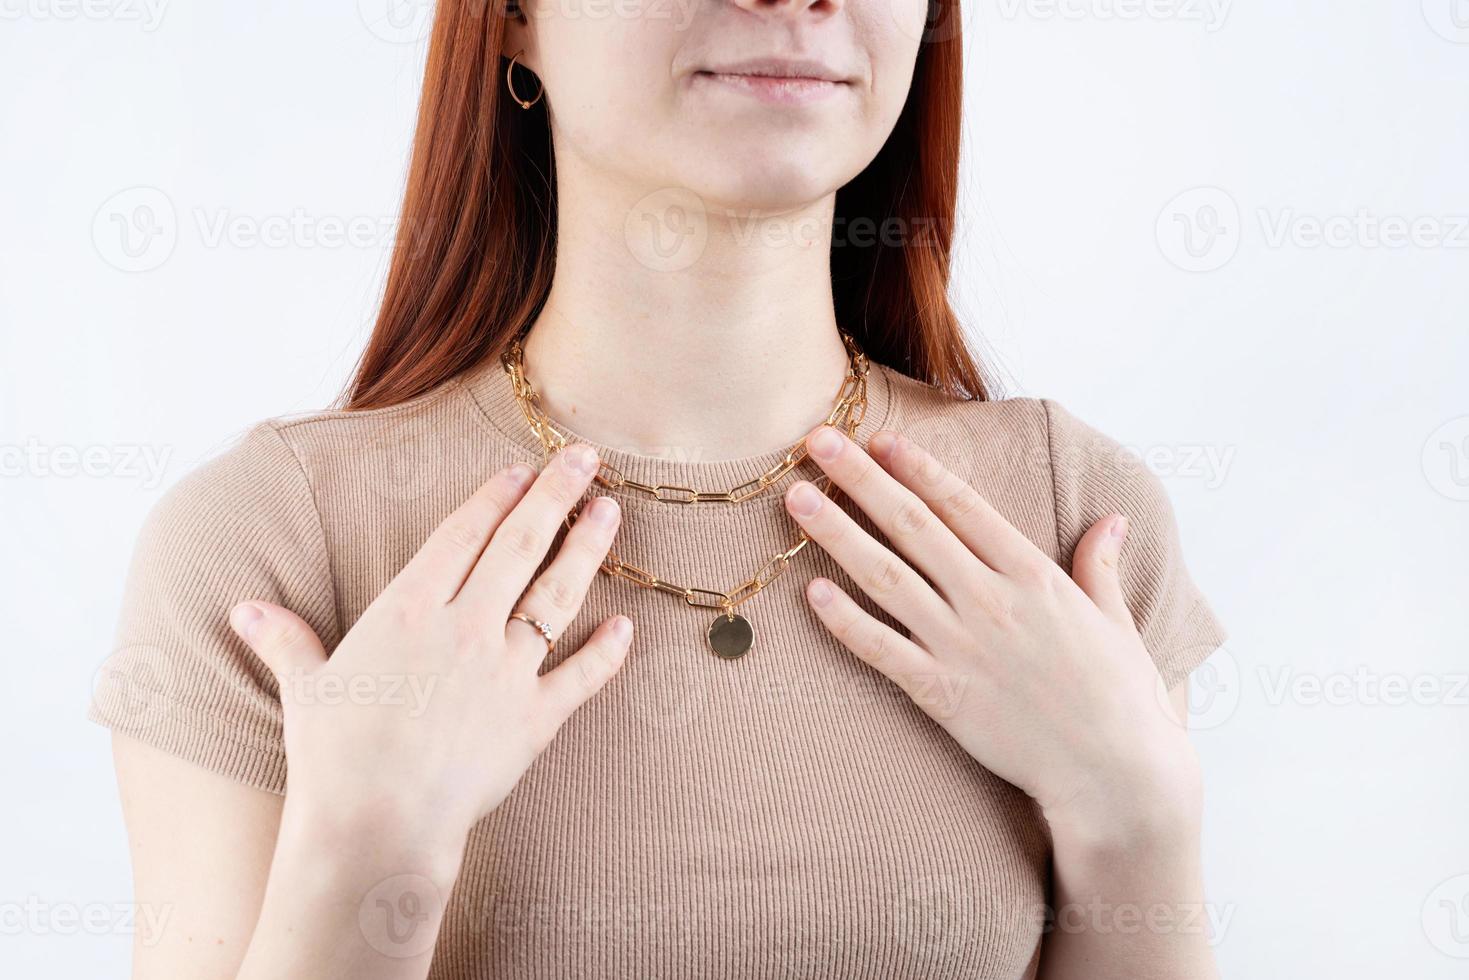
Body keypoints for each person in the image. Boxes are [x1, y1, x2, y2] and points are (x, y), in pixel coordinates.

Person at [90, 2, 1229, 977]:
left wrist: (1137, 824)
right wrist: (363, 849)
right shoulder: (272, 548)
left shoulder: (1065, 510)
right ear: (516, 16)